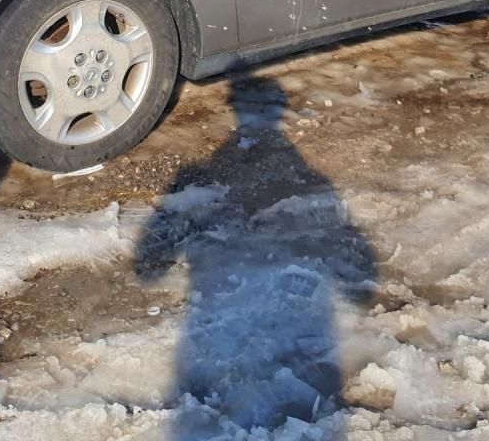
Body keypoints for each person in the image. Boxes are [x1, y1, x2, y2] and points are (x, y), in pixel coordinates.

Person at [135, 76, 376, 435]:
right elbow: (357, 276)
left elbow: (147, 267)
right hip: (254, 323)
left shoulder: (210, 178)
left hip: (224, 324)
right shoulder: (311, 181)